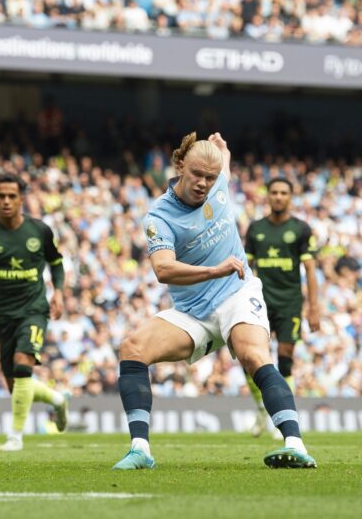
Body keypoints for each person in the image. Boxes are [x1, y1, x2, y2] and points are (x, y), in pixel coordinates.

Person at [112, 132, 315, 470]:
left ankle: (295, 444)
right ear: (180, 166)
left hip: (237, 293)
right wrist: (213, 270)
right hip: (193, 311)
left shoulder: (220, 181)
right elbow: (163, 269)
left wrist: (221, 150)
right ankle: (140, 450)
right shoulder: (158, 218)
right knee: (132, 348)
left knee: (253, 354)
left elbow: (223, 164)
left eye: (211, 176)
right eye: (197, 175)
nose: (205, 183)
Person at [0, 171, 68, 452]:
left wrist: (58, 291)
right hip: (3, 314)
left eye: (12, 196)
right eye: (2, 196)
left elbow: (56, 263)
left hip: (34, 309)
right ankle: (57, 401)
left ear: (21, 198)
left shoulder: (39, 231)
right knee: (16, 385)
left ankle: (15, 436)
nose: (7, 201)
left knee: (24, 363)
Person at [244, 177, 319, 436]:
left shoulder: (301, 229)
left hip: (289, 303)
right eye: (274, 192)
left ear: (290, 197)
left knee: (285, 358)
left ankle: (283, 415)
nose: (278, 196)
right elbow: (245, 269)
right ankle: (261, 409)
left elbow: (310, 269)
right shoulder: (256, 229)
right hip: (259, 303)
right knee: (251, 358)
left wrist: (314, 307)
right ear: (268, 196)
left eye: (283, 193)